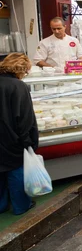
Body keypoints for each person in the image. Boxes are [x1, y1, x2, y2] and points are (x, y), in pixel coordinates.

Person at [0, 53, 38, 216]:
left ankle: (1, 205)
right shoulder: (18, 86)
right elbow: (24, 118)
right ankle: (21, 206)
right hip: (13, 138)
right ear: (21, 69)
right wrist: (29, 141)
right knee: (16, 171)